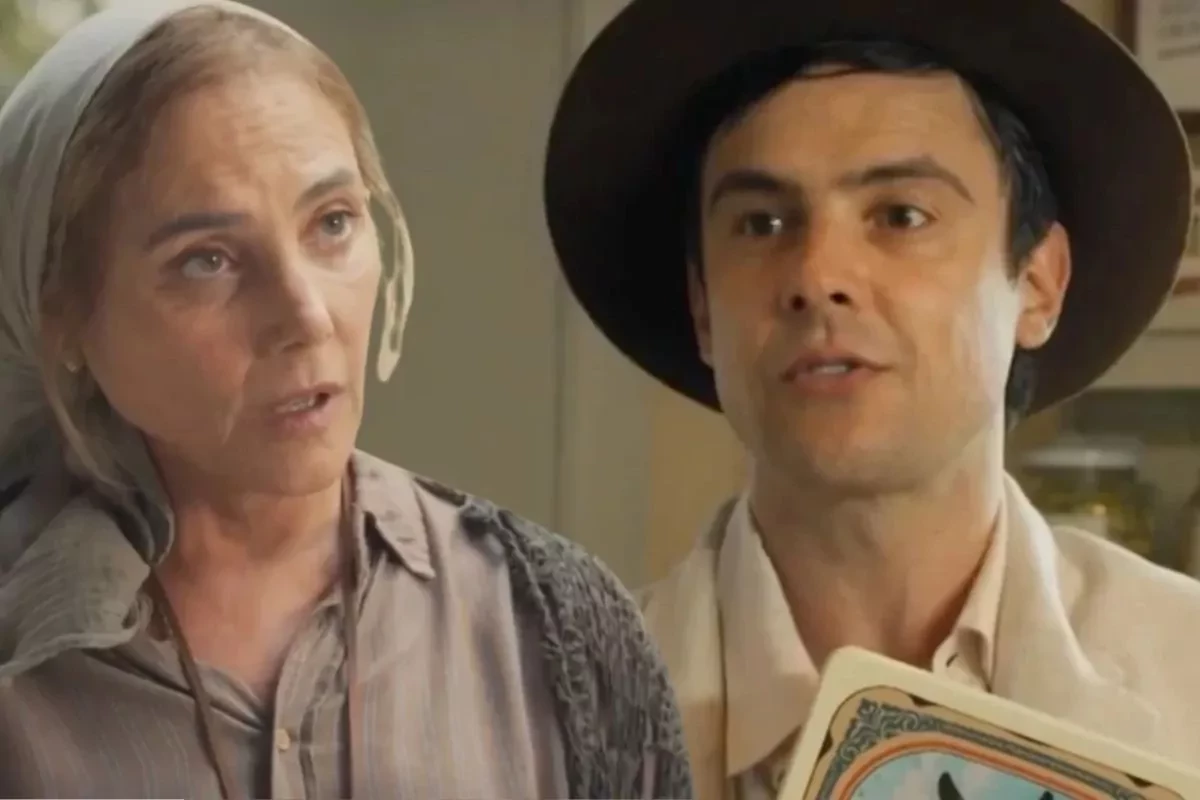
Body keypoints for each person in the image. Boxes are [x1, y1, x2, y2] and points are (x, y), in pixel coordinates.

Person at [0, 2, 691, 797]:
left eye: (332, 223)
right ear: (63, 321)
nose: (306, 315)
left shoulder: (550, 625)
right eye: (207, 260)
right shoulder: (22, 671)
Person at [543, 0, 1200, 797]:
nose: (818, 275)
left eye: (901, 215)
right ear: (704, 307)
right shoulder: (534, 726)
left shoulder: (1186, 676)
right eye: (761, 223)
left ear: (1037, 282)